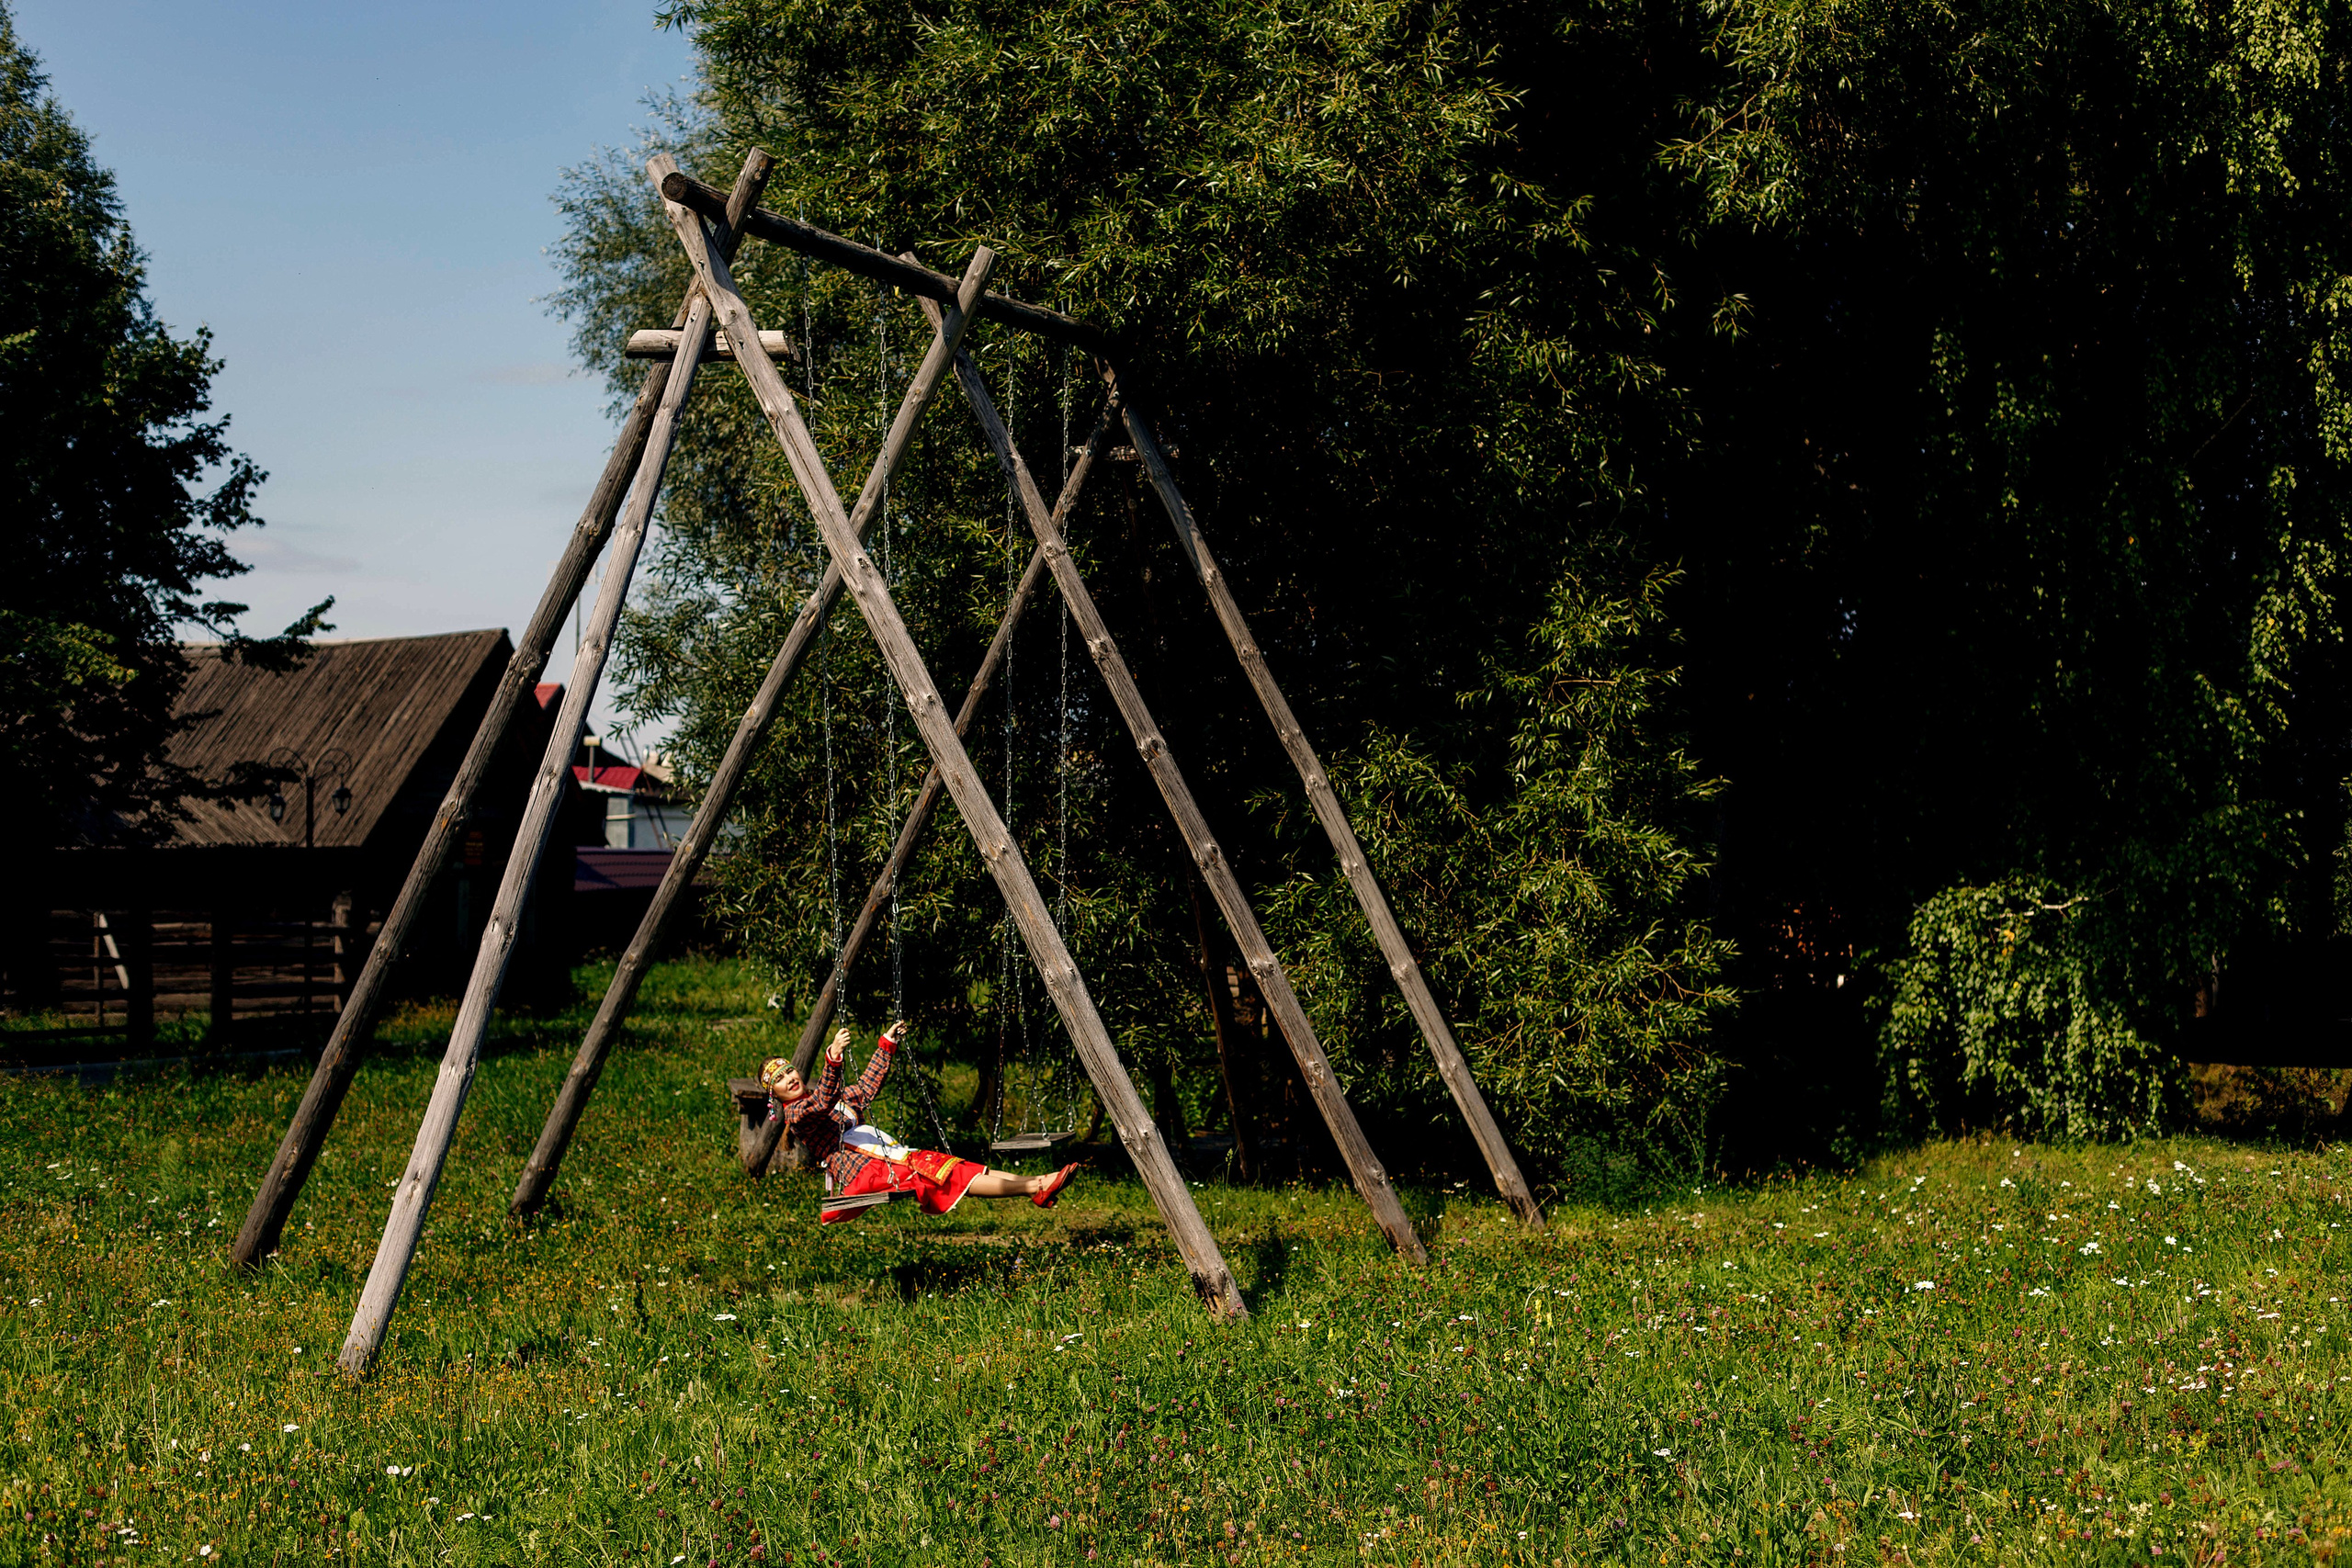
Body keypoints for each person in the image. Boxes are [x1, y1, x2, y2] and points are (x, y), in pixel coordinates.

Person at [763, 1021, 1079, 1223]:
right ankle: (1034, 1186)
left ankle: (1036, 1184)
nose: (788, 1078)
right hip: (866, 1171)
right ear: (773, 1094)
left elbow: (868, 1086)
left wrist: (886, 1043)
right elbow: (821, 1104)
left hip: (884, 1161)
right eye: (778, 1079)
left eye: (788, 1071)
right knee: (946, 1170)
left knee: (956, 1167)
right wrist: (833, 1058)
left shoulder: (839, 1099)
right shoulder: (797, 1115)